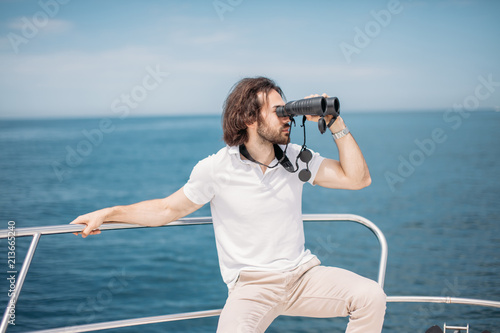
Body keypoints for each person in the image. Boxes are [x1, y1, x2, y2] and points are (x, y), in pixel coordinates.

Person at [71, 77, 386, 332]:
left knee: (370, 296)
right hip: (252, 286)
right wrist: (109, 213)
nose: (287, 117)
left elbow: (358, 179)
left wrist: (335, 122)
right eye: (278, 111)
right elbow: (167, 209)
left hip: (302, 276)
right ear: (250, 118)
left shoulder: (296, 159)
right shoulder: (216, 168)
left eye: (287, 110)